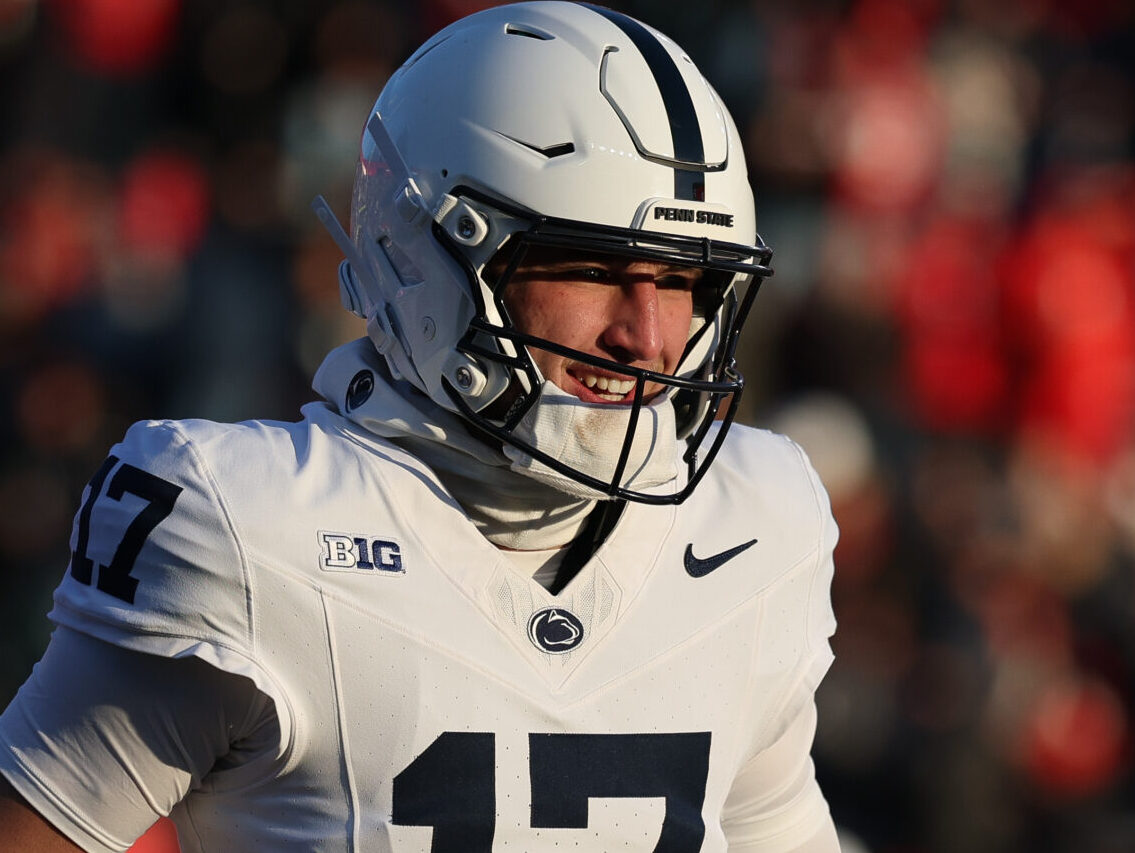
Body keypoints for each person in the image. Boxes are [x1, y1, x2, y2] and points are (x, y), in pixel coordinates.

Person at [0, 3, 840, 851]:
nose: (649, 336)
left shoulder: (759, 524)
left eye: (684, 281)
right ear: (425, 256)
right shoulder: (247, 524)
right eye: (592, 267)